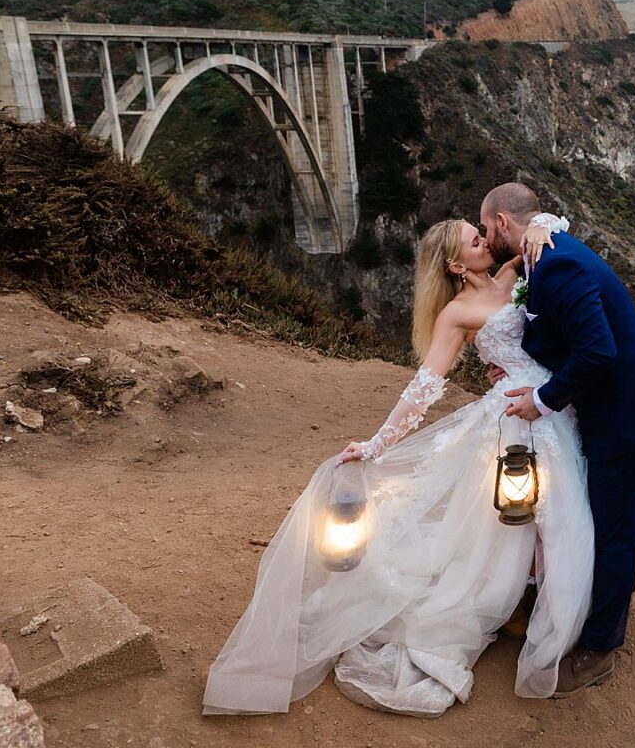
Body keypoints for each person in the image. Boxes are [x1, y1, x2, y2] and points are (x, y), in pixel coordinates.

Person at [202, 212, 587, 717]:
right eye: (475, 239)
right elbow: (424, 387)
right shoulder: (457, 312)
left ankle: (535, 601)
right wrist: (378, 443)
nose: (484, 239)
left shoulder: (513, 274)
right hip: (513, 418)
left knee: (554, 512)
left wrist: (538, 225)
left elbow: (552, 229)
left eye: (482, 232)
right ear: (456, 263)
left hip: (549, 403)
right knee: (518, 517)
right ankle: (527, 607)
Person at [479, 182, 635, 695]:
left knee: (615, 524)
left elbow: (597, 352)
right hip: (609, 402)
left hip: (629, 408)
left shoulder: (554, 265)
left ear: (504, 223)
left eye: (486, 228)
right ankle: (568, 607)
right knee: (595, 513)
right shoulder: (543, 250)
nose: (485, 237)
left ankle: (599, 649)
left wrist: (543, 400)